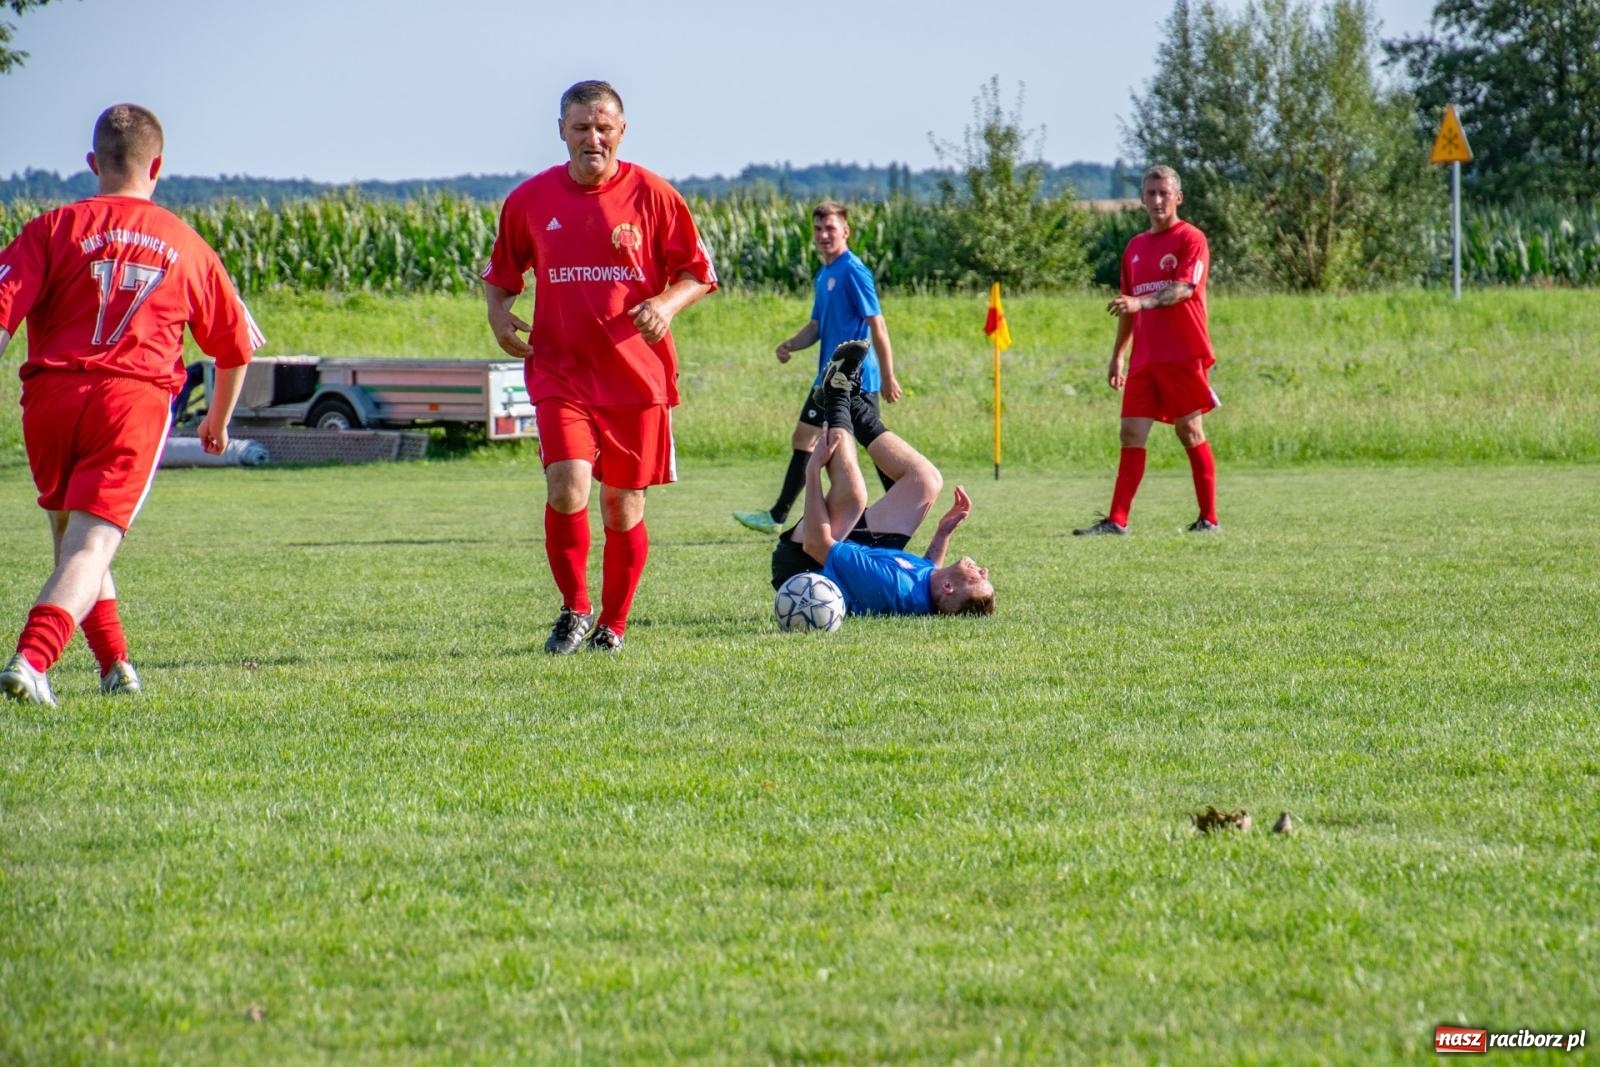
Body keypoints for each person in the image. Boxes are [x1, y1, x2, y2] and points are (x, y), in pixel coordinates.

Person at [0, 104, 262, 706]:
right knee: (92, 548)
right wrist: (216, 422)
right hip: (131, 401)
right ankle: (33, 660)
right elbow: (234, 348)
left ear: (93, 163)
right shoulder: (186, 244)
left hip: (50, 399)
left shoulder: (50, 228)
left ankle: (115, 665)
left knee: (73, 541)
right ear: (158, 165)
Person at [482, 80, 717, 655]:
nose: (593, 137)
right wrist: (499, 314)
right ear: (561, 130)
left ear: (621, 130)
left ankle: (614, 624)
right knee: (567, 487)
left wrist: (664, 304)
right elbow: (502, 275)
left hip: (635, 378)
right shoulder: (530, 200)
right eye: (582, 127)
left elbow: (698, 273)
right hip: (560, 371)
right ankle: (574, 610)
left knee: (622, 504)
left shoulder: (655, 196)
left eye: (603, 127)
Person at [770, 351, 993, 617]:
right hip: (852, 551)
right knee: (926, 481)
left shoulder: (892, 584)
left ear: (948, 586)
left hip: (805, 563)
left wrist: (813, 470)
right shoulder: (927, 590)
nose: (983, 571)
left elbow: (817, 545)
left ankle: (836, 394)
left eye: (977, 579)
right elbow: (927, 572)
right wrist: (943, 533)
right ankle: (851, 400)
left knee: (854, 497)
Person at [733, 200, 901, 536]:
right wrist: (790, 345)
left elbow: (877, 325)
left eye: (831, 229)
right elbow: (817, 325)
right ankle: (778, 514)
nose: (824, 235)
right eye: (819, 229)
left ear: (846, 232)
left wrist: (887, 375)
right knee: (805, 438)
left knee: (874, 446)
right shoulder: (825, 273)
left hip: (854, 379)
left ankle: (902, 505)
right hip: (828, 378)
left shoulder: (854, 271)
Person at [1074, 164, 1220, 536]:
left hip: (1182, 352)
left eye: (1164, 193)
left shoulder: (1191, 238)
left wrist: (1142, 304)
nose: (1157, 200)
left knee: (1189, 432)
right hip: (1144, 358)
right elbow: (1128, 304)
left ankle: (1209, 519)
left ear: (1178, 198)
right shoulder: (1136, 247)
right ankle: (1116, 521)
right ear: (1142, 198)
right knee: (1130, 434)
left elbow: (1185, 288)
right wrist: (1118, 354)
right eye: (1151, 193)